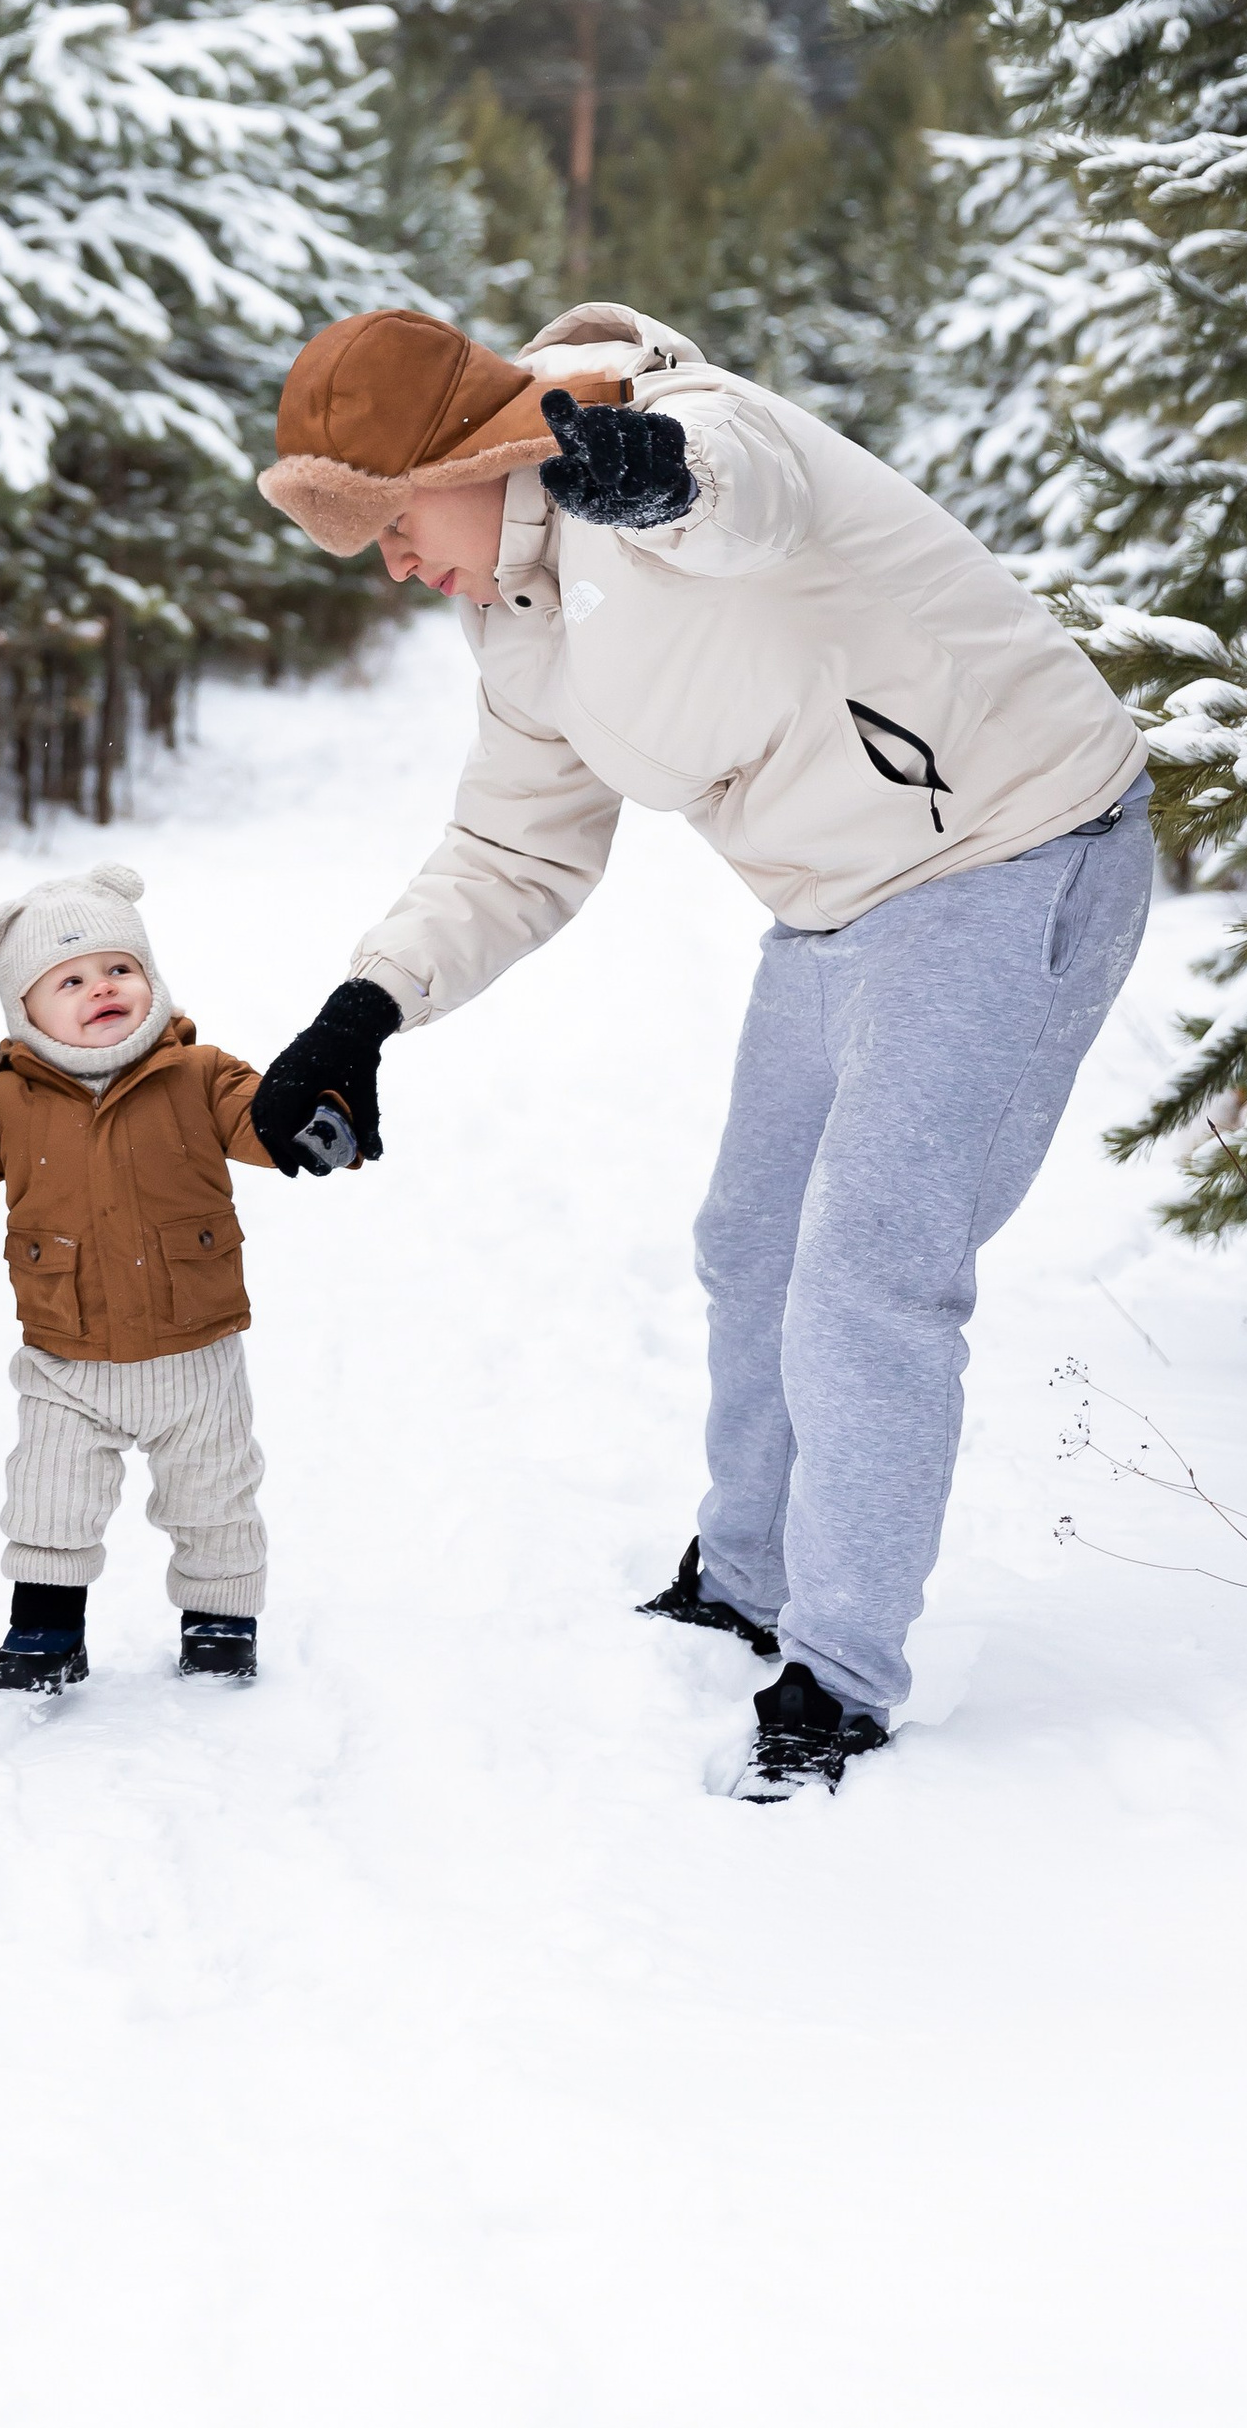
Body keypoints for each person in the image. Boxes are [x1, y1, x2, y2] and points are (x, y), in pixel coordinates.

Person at [248, 300, 1151, 1802]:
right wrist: (363, 1012)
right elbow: (511, 847)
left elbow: (744, 486)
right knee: (749, 1241)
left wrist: (655, 474)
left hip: (1011, 851)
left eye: (398, 523)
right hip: (832, 907)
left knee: (870, 1267)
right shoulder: (519, 622)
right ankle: (744, 1575)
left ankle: (844, 1671)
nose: (398, 565)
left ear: (477, 456)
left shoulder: (668, 428)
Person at [0, 862, 296, 1697]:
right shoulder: (9, 1099)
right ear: (24, 1010)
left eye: (119, 969)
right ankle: (46, 1630)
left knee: (215, 1494)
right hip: (69, 1353)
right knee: (49, 1496)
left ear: (151, 980)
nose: (103, 986)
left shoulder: (200, 1072)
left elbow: (260, 1119)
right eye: (71, 978)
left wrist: (309, 1121)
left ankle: (219, 1621)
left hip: (193, 1348)